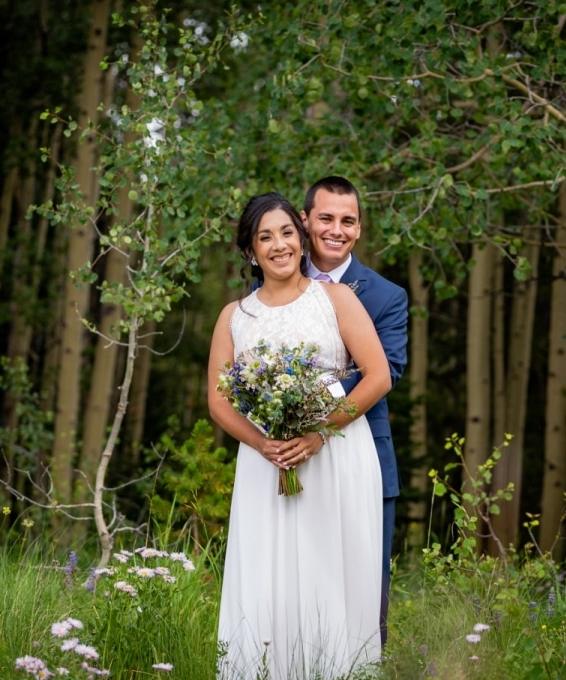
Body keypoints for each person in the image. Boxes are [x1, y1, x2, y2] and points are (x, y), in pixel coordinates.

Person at [209, 192, 391, 679]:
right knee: (268, 582)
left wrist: (318, 433)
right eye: (264, 237)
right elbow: (218, 400)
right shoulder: (234, 316)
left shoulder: (336, 299)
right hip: (266, 462)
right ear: (250, 250)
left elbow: (377, 376)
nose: (279, 245)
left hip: (334, 455)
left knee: (329, 576)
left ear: (302, 237)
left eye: (287, 232)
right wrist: (263, 442)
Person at [301, 176, 409, 647]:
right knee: (297, 578)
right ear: (305, 220)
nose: (336, 230)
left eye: (348, 221)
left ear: (360, 229)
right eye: (326, 218)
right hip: (288, 455)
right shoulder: (273, 277)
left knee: (364, 588)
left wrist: (305, 401)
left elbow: (390, 371)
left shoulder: (386, 295)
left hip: (361, 451)